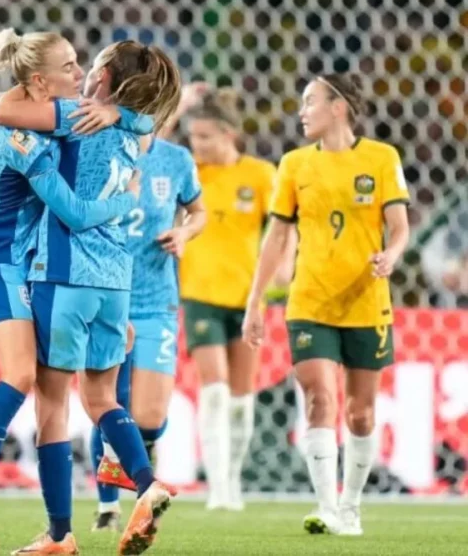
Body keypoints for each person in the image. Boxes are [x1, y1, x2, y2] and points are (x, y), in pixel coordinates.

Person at [0, 27, 156, 551]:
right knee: (21, 375)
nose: (80, 72)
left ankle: (60, 534)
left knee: (47, 390)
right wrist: (126, 199)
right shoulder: (21, 135)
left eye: (81, 62)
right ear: (40, 82)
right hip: (0, 261)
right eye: (68, 66)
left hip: (38, 264)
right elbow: (75, 211)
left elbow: (145, 122)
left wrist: (121, 113)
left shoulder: (59, 121)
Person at [0, 40, 182, 555]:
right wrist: (121, 109)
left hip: (65, 276)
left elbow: (2, 109)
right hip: (117, 283)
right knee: (100, 400)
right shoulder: (135, 127)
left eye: (91, 65)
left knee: (52, 405)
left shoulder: (77, 116)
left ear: (106, 76)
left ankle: (59, 535)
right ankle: (147, 483)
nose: (81, 72)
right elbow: (147, 121)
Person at [242, 74, 410, 536]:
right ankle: (327, 505)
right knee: (320, 396)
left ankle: (352, 505)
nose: (302, 111)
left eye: (310, 102)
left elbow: (399, 227)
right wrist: (254, 303)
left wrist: (391, 256)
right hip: (309, 300)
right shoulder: (294, 165)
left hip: (365, 302)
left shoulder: (381, 158)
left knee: (360, 413)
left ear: (339, 107)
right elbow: (277, 237)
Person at [159, 84, 279, 510]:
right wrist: (180, 107)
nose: (197, 145)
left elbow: (286, 226)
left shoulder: (261, 175)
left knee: (242, 400)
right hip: (199, 294)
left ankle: (234, 478)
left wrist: (287, 263)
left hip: (247, 298)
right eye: (193, 137)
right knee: (214, 390)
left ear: (230, 134)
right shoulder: (191, 173)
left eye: (206, 136)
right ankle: (219, 489)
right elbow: (150, 147)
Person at [89, 137, 206, 531]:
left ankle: (142, 459)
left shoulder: (176, 159)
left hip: (156, 300)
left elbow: (199, 212)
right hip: (106, 292)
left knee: (150, 418)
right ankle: (109, 507)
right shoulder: (99, 148)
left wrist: (185, 234)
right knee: (109, 401)